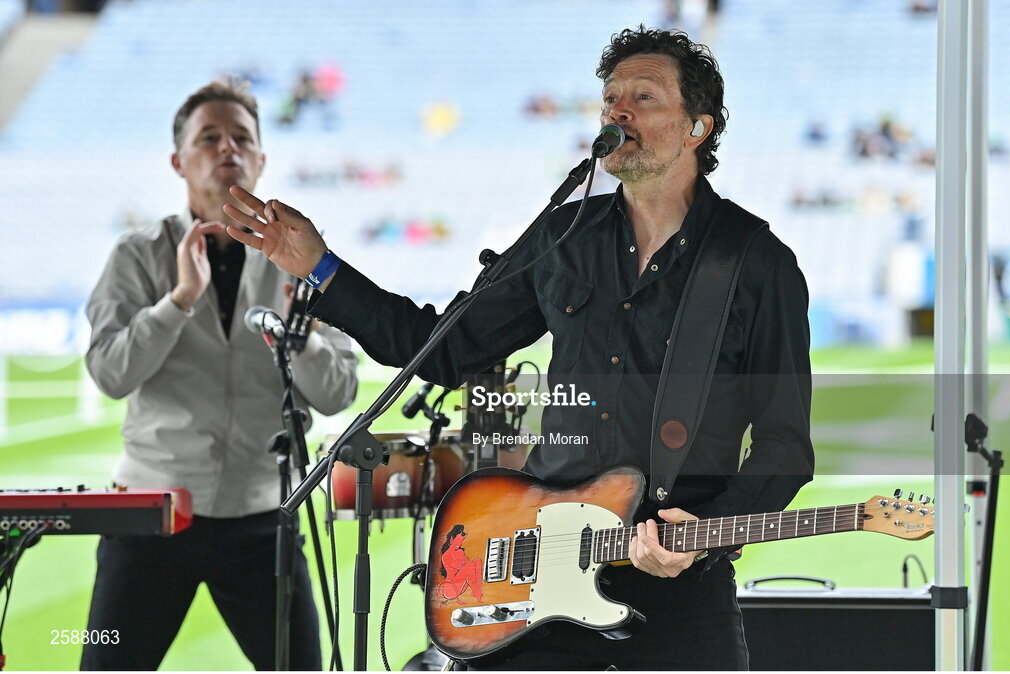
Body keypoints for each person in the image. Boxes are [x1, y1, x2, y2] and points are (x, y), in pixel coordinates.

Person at [223, 26, 813, 671]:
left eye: (643, 97)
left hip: (680, 592)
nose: (618, 110)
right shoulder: (565, 235)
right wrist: (320, 266)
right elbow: (439, 350)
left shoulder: (755, 263)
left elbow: (784, 447)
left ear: (698, 127)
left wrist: (700, 538)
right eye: (611, 97)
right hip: (542, 570)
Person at [80, 81, 359, 670]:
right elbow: (109, 373)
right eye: (209, 137)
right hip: (152, 510)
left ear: (261, 160)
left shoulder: (305, 257)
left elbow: (337, 393)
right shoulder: (139, 255)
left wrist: (298, 334)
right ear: (179, 161)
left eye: (242, 138)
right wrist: (178, 301)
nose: (227, 147)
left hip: (264, 519)